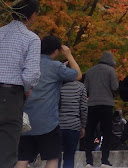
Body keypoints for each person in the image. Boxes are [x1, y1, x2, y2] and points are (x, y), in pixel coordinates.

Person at [17, 35, 81, 168]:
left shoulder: (28, 64)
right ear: (57, 51)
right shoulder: (56, 67)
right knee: (53, 158)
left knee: (23, 158)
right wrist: (69, 55)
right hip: (48, 122)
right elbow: (78, 75)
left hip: (26, 120)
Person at [0, 0, 40, 168]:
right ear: (32, 15)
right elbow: (30, 74)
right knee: (7, 149)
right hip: (11, 96)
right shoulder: (31, 39)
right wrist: (27, 89)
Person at [83, 51, 119, 167]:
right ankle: (105, 160)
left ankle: (89, 160)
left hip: (92, 104)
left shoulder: (90, 71)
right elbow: (115, 86)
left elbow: (86, 89)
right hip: (107, 104)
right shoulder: (110, 70)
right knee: (107, 133)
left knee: (90, 132)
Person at [58, 79, 87, 168]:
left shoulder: (56, 84)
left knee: (55, 157)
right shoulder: (80, 86)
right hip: (74, 124)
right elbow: (83, 108)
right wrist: (83, 125)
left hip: (56, 125)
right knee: (70, 157)